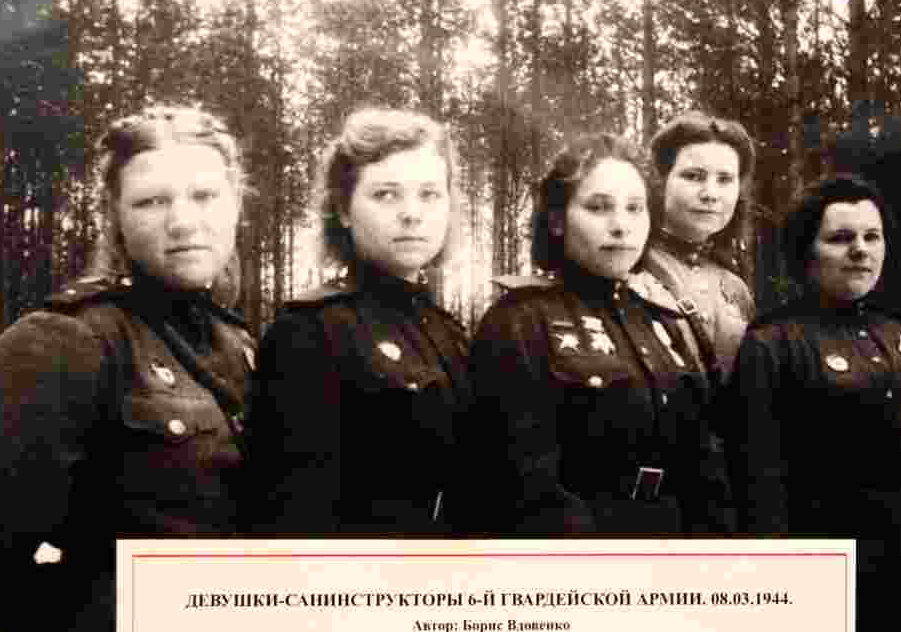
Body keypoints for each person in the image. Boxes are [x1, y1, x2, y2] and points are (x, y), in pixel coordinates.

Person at [0, 105, 254, 632]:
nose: (183, 221)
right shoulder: (65, 340)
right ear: (116, 215)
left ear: (236, 204)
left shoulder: (240, 344)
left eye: (204, 195)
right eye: (152, 201)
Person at [727, 175, 901, 632]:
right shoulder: (773, 344)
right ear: (807, 251)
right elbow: (760, 486)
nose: (861, 250)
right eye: (840, 238)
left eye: (872, 236)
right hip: (831, 583)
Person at [469, 133, 727, 535]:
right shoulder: (521, 319)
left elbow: (704, 462)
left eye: (634, 208)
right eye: (598, 207)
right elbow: (522, 478)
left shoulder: (663, 319)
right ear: (557, 220)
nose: (621, 226)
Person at [247, 108, 472, 534]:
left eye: (429, 194)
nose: (412, 213)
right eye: (386, 194)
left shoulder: (448, 330)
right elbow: (295, 511)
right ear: (344, 209)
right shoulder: (310, 330)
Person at [643, 110, 757, 384]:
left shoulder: (735, 288)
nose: (711, 194)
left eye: (725, 179)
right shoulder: (630, 268)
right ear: (661, 182)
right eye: (694, 176)